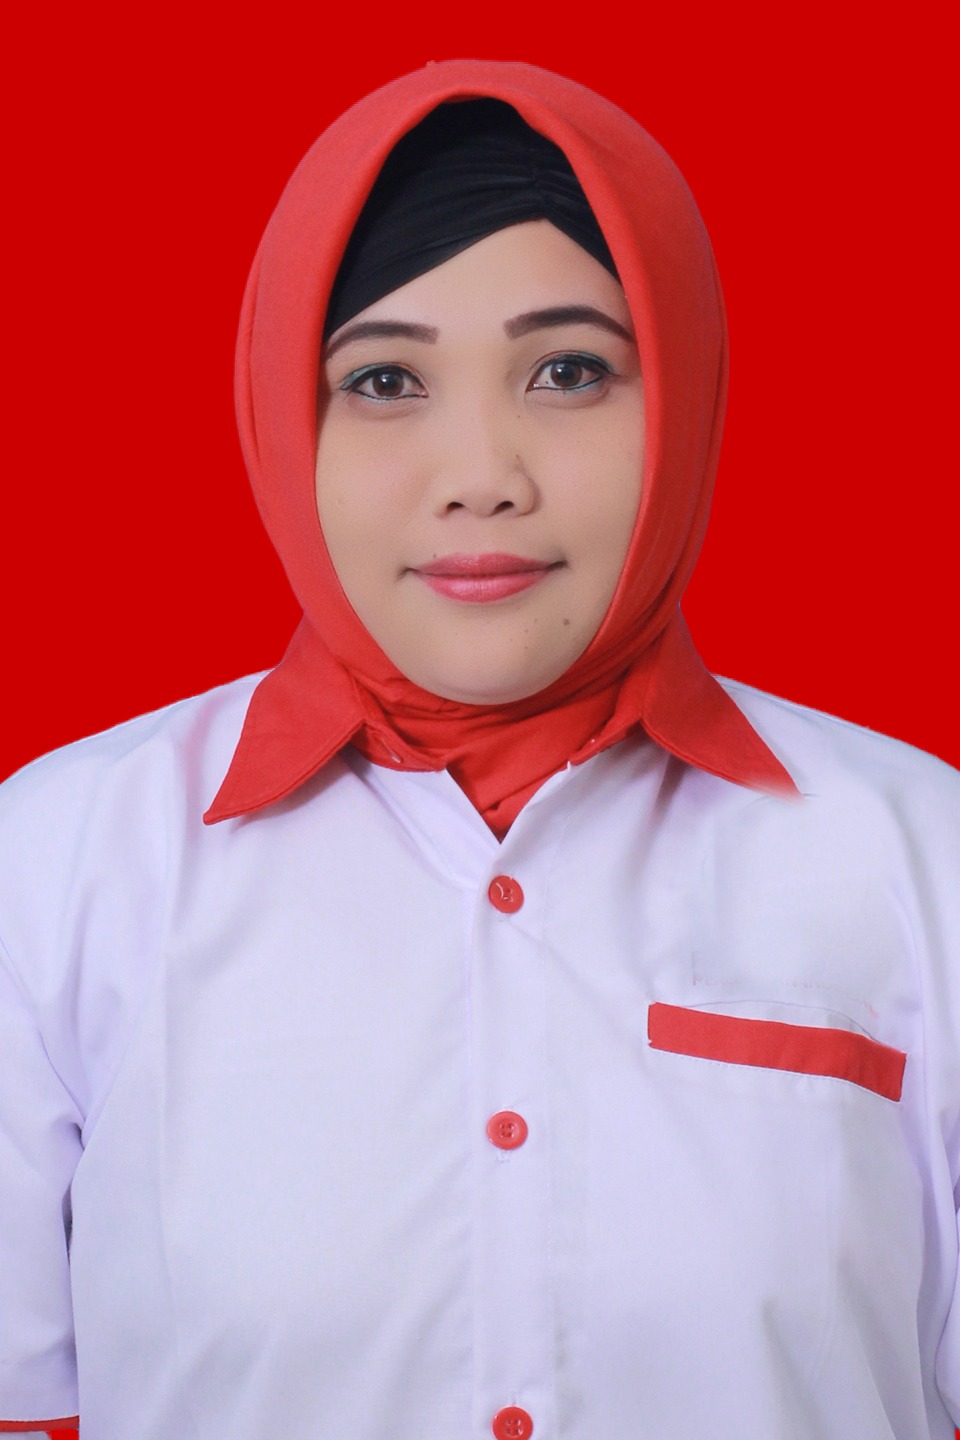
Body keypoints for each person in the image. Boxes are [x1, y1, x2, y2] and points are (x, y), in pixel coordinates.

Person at [0, 59, 957, 1440]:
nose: (481, 476)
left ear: (683, 393)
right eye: (385, 379)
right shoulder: (59, 864)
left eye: (569, 371)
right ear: (284, 414)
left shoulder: (919, 857)